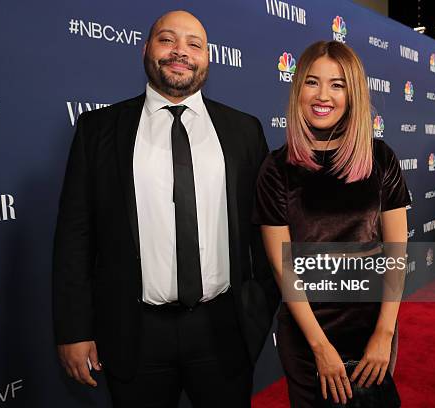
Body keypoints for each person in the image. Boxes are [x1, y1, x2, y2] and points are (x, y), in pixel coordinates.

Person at [52, 10, 279, 408]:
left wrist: (257, 312)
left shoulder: (245, 130)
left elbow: (266, 230)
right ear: (146, 49)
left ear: (208, 58)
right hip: (133, 334)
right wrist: (73, 329)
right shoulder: (98, 130)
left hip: (223, 331)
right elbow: (75, 236)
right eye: (167, 40)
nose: (181, 52)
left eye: (194, 44)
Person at [253, 41, 410, 407]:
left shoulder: (380, 159)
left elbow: (397, 253)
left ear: (352, 93)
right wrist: (320, 347)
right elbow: (282, 267)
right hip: (309, 336)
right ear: (298, 90)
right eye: (312, 82)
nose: (323, 95)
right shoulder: (276, 169)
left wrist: (384, 333)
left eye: (337, 84)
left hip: (372, 330)